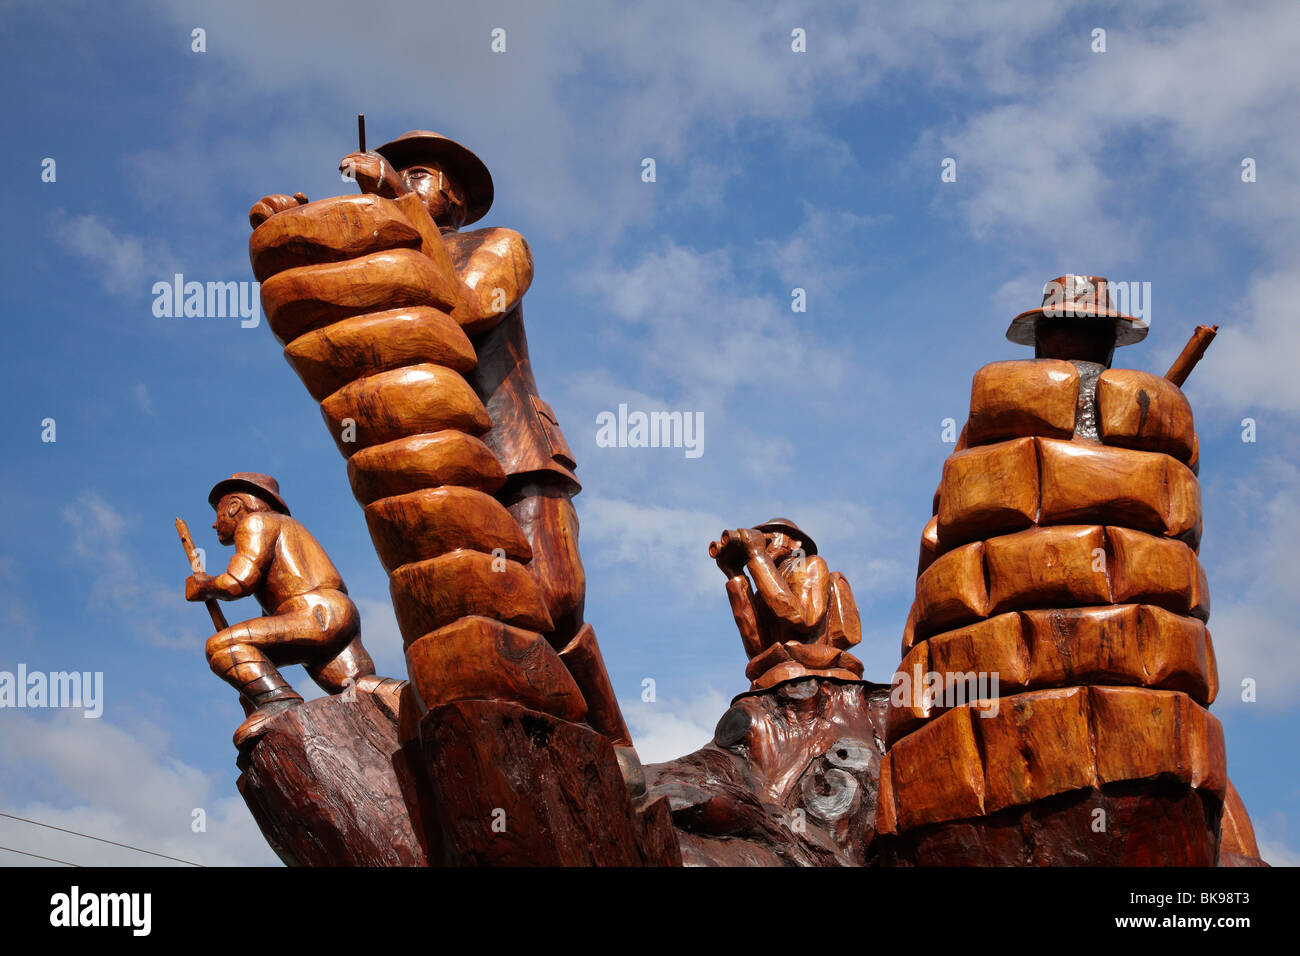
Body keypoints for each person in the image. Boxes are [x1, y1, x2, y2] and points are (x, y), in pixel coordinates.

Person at [186, 472, 401, 748]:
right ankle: (410, 699)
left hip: (312, 613)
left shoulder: (255, 523)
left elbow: (239, 581)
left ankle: (279, 704)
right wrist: (251, 686)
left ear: (234, 506)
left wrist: (204, 586)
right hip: (338, 613)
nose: (215, 523)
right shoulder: (289, 528)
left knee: (222, 647)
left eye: (219, 512)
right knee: (358, 688)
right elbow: (271, 621)